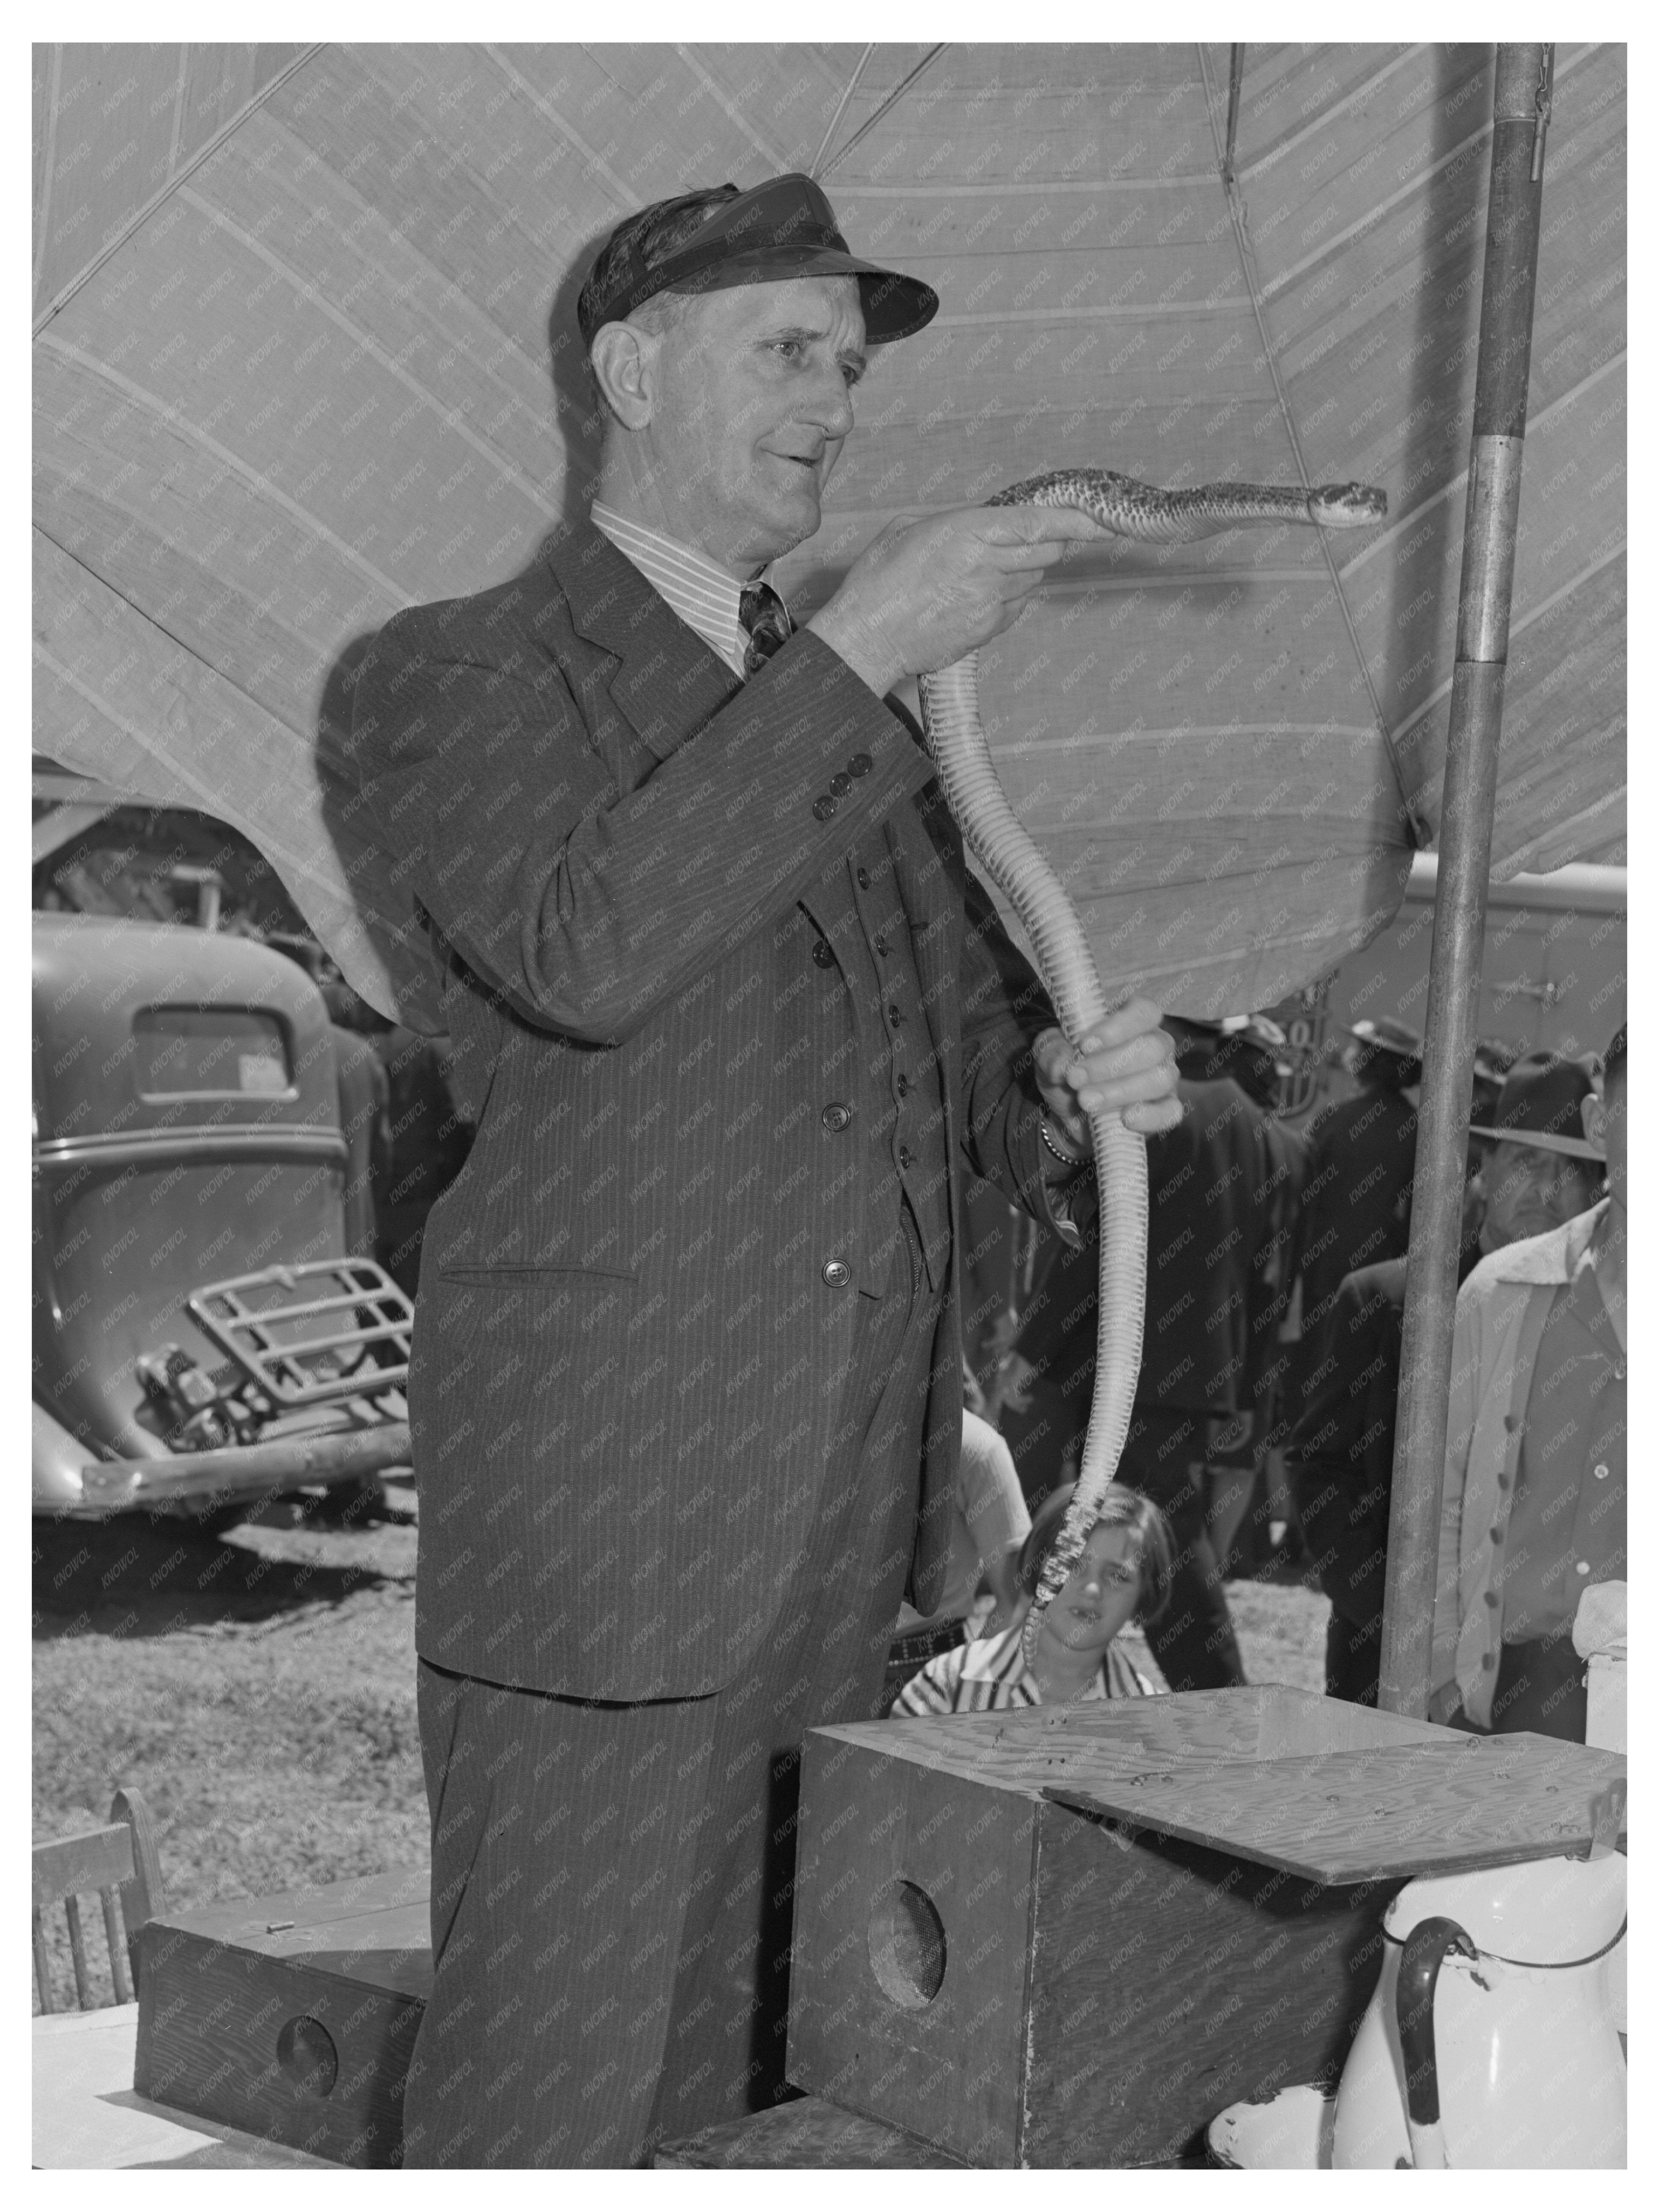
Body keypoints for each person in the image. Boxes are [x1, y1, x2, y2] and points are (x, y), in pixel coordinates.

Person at [349, 173, 1180, 2167]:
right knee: (562, 2095)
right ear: (631, 367)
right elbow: (583, 950)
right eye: (785, 349)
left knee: (763, 2090)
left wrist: (1044, 1088)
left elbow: (915, 1086)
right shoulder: (452, 677)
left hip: (839, 1548)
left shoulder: (832, 735)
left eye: (851, 363)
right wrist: (871, 633)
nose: (833, 398)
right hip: (618, 1557)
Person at [995, 1021, 1309, 1691]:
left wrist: (1033, 1347)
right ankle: (1186, 1684)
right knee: (1139, 1524)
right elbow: (1270, 1283)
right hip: (1197, 1373)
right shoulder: (1273, 1139)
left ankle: (1213, 1692)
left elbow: (1101, 1237)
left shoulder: (1158, 1114)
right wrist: (1245, 1393)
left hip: (1119, 1361)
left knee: (1146, 1530)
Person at [1429, 1027, 1625, 1741]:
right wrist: (1441, 1677)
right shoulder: (1499, 1292)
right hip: (1514, 1692)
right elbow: (1445, 1499)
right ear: (1602, 1123)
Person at [1288, 1061, 1497, 1705]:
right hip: (1377, 1651)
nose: (1542, 1192)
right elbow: (1320, 1463)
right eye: (1520, 1164)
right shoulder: (1383, 1299)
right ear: (1478, 1177)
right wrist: (1384, 1611)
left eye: (1564, 1172)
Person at [890, 1482, 1173, 1712]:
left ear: (1145, 1595)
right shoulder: (947, 1686)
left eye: (1118, 1576)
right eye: (1072, 1563)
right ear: (1038, 1563)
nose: (1092, 1589)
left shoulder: (1148, 1716)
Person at [881, 1405, 1031, 1710]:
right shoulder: (816, 1425)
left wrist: (968, 1692)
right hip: (813, 1664)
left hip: (922, 1664)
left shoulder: (974, 1446)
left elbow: (1016, 1598)